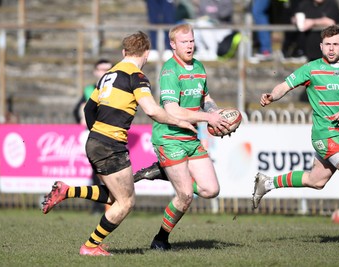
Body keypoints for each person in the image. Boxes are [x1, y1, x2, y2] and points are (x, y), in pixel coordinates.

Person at [42, 31, 198, 256]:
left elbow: (88, 109)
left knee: (117, 197)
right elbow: (152, 110)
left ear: (124, 52)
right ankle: (90, 246)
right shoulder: (137, 76)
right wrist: (180, 122)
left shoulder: (108, 74)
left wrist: (97, 133)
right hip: (110, 144)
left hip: (95, 140)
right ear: (146, 53)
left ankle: (67, 191)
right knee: (126, 203)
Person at [147, 23, 230, 251]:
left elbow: (206, 97)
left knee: (210, 190)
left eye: (192, 41)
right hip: (170, 139)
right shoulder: (170, 70)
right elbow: (172, 110)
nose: (190, 45)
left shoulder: (199, 67)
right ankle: (160, 239)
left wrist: (215, 112)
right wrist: (206, 118)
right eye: (184, 42)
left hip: (190, 138)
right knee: (184, 195)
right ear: (173, 44)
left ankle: (166, 172)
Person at [252, 25, 339, 210]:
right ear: (321, 46)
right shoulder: (311, 69)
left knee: (317, 181)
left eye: (336, 44)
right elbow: (284, 86)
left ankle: (267, 183)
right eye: (327, 44)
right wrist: (272, 96)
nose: (331, 48)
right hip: (326, 134)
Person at [72, 58, 112, 214]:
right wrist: (82, 119)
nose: (105, 72)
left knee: (107, 171)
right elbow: (78, 110)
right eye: (102, 69)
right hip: (96, 136)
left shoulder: (115, 88)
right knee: (99, 170)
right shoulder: (89, 90)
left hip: (110, 135)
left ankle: (109, 204)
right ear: (96, 71)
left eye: (108, 69)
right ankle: (98, 206)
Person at [292, 0, 339, 102]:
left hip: (331, 55)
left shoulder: (331, 4)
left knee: (332, 81)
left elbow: (331, 22)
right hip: (312, 52)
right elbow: (296, 18)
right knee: (315, 82)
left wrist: (313, 22)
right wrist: (297, 20)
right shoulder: (305, 4)